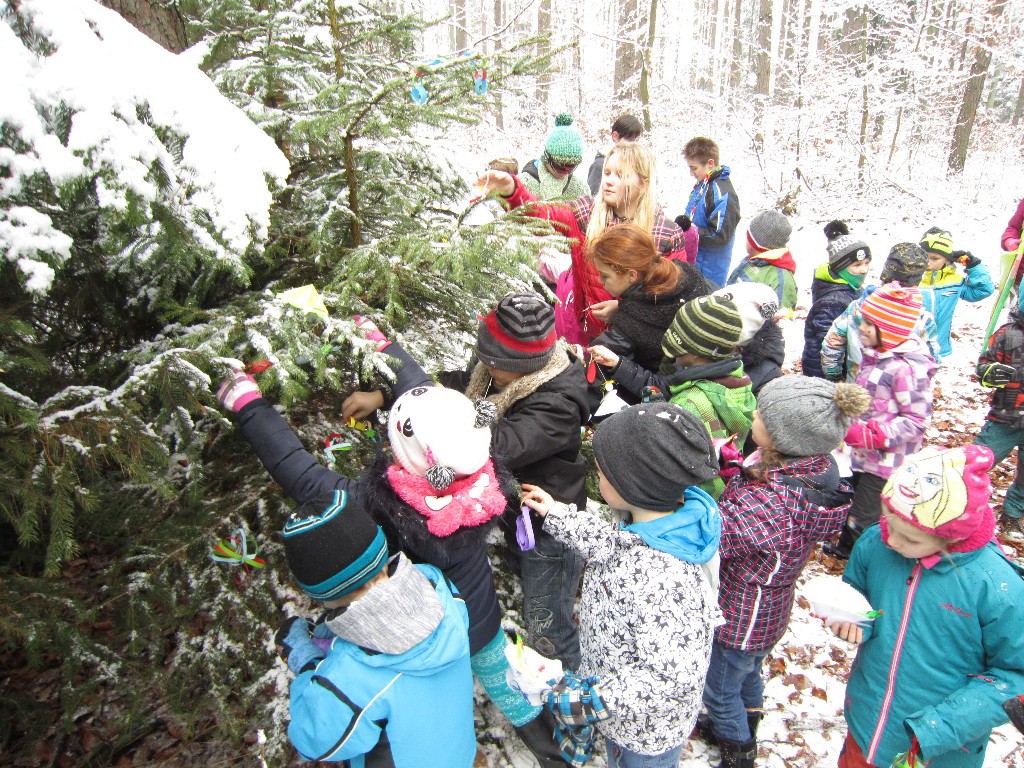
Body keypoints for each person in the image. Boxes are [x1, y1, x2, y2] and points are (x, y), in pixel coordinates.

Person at [216, 359, 566, 767]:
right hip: (476, 619)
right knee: (509, 687)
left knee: (423, 697)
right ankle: (557, 753)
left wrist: (250, 405)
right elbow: (432, 404)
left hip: (417, 633)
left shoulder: (384, 507)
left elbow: (301, 474)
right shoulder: (480, 473)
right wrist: (383, 346)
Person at [521, 402, 722, 768]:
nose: (596, 476)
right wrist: (556, 513)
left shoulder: (665, 578)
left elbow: (669, 679)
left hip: (644, 735)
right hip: (618, 703)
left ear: (631, 484)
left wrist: (589, 700)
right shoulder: (652, 527)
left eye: (601, 472)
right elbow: (611, 544)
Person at [698, 376, 870, 768]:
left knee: (720, 690)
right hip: (769, 610)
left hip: (741, 614)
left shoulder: (772, 502)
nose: (753, 416)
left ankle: (738, 750)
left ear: (781, 438)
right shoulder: (808, 469)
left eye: (760, 415)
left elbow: (719, 541)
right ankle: (747, 722)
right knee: (747, 673)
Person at [830, 445, 1024, 768]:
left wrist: (941, 726)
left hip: (938, 750)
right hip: (867, 728)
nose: (892, 540)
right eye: (888, 520)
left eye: (910, 538)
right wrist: (852, 621)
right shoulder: (875, 543)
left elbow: (1016, 674)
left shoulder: (995, 587)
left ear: (951, 537)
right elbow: (858, 601)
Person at [272, 491, 476, 766]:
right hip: (459, 754)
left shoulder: (350, 678)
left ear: (322, 594)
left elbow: (312, 742)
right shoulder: (439, 589)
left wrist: (307, 663)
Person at [477, 142, 695, 345]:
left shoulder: (665, 234)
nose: (609, 181)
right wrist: (512, 191)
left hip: (632, 341)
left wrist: (624, 309)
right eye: (607, 173)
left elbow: (669, 298)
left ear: (644, 183)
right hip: (586, 330)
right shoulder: (587, 214)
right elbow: (542, 214)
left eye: (620, 175)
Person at [590, 295, 755, 500]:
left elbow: (668, 467)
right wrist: (619, 364)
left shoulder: (690, 404)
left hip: (687, 498)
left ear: (695, 352)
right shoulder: (736, 379)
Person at [825, 283, 936, 559]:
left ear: (890, 330)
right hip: (862, 454)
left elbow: (917, 420)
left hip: (886, 461)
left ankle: (858, 555)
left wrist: (873, 435)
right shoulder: (877, 357)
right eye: (863, 321)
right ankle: (847, 544)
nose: (861, 328)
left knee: (865, 513)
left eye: (869, 324)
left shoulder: (906, 369)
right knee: (853, 498)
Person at [586, 222, 710, 380]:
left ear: (632, 275)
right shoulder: (688, 274)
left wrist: (623, 314)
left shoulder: (629, 325)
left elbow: (597, 372)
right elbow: (650, 306)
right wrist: (621, 306)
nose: (600, 280)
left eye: (605, 275)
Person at [821, 242, 939, 382]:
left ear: (885, 272)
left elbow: (832, 344)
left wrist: (835, 378)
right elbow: (931, 360)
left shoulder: (858, 307)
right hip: (898, 390)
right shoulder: (922, 320)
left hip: (857, 388)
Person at [974, 289, 1024, 535]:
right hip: (1006, 415)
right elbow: (984, 364)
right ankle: (958, 501)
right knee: (977, 462)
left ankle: (1013, 514)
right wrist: (989, 372)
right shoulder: (1009, 335)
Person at [801, 220, 871, 379]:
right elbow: (826, 347)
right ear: (840, 267)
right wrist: (835, 380)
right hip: (826, 376)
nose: (864, 270)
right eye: (857, 265)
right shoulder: (832, 302)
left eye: (867, 263)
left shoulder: (851, 289)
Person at [917, 227, 994, 359]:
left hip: (937, 348)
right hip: (909, 348)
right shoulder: (911, 279)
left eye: (935, 258)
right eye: (924, 257)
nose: (928, 263)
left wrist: (974, 266)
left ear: (947, 260)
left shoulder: (955, 282)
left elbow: (983, 290)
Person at [676, 136, 741, 288]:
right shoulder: (703, 185)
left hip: (709, 270)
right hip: (694, 263)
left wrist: (690, 232)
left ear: (710, 163)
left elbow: (720, 234)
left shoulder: (722, 192)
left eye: (694, 168)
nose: (691, 173)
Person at [726, 209, 797, 315]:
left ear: (756, 244)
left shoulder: (781, 281)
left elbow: (780, 318)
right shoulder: (753, 260)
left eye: (748, 237)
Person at [520, 113, 588, 200]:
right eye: (559, 167)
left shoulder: (580, 188)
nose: (565, 173)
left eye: (571, 167)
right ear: (547, 158)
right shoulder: (523, 184)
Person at [587, 113, 643, 195]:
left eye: (636, 140)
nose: (633, 144)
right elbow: (591, 196)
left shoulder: (636, 164)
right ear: (615, 136)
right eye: (629, 139)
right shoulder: (601, 164)